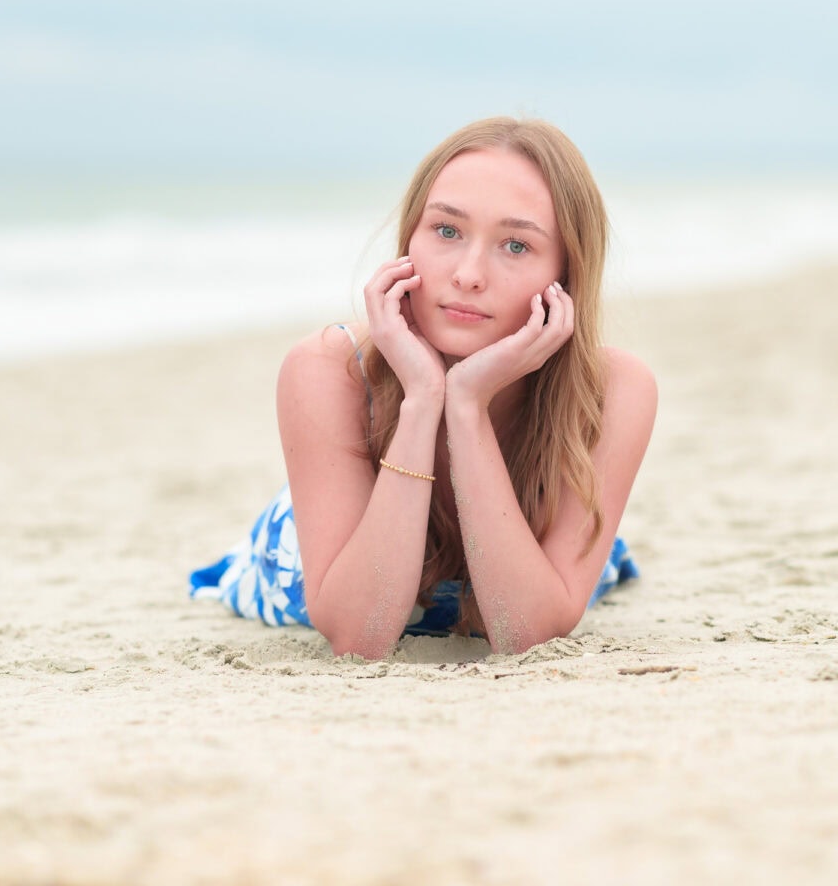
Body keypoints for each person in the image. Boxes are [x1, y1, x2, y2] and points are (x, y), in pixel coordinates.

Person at [190, 117, 657, 659]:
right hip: (329, 546)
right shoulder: (328, 368)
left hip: (529, 558)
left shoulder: (615, 390)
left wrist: (467, 406)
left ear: (567, 277)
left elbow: (526, 633)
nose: (468, 274)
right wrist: (421, 402)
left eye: (515, 245)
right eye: (447, 231)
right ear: (409, 238)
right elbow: (360, 635)